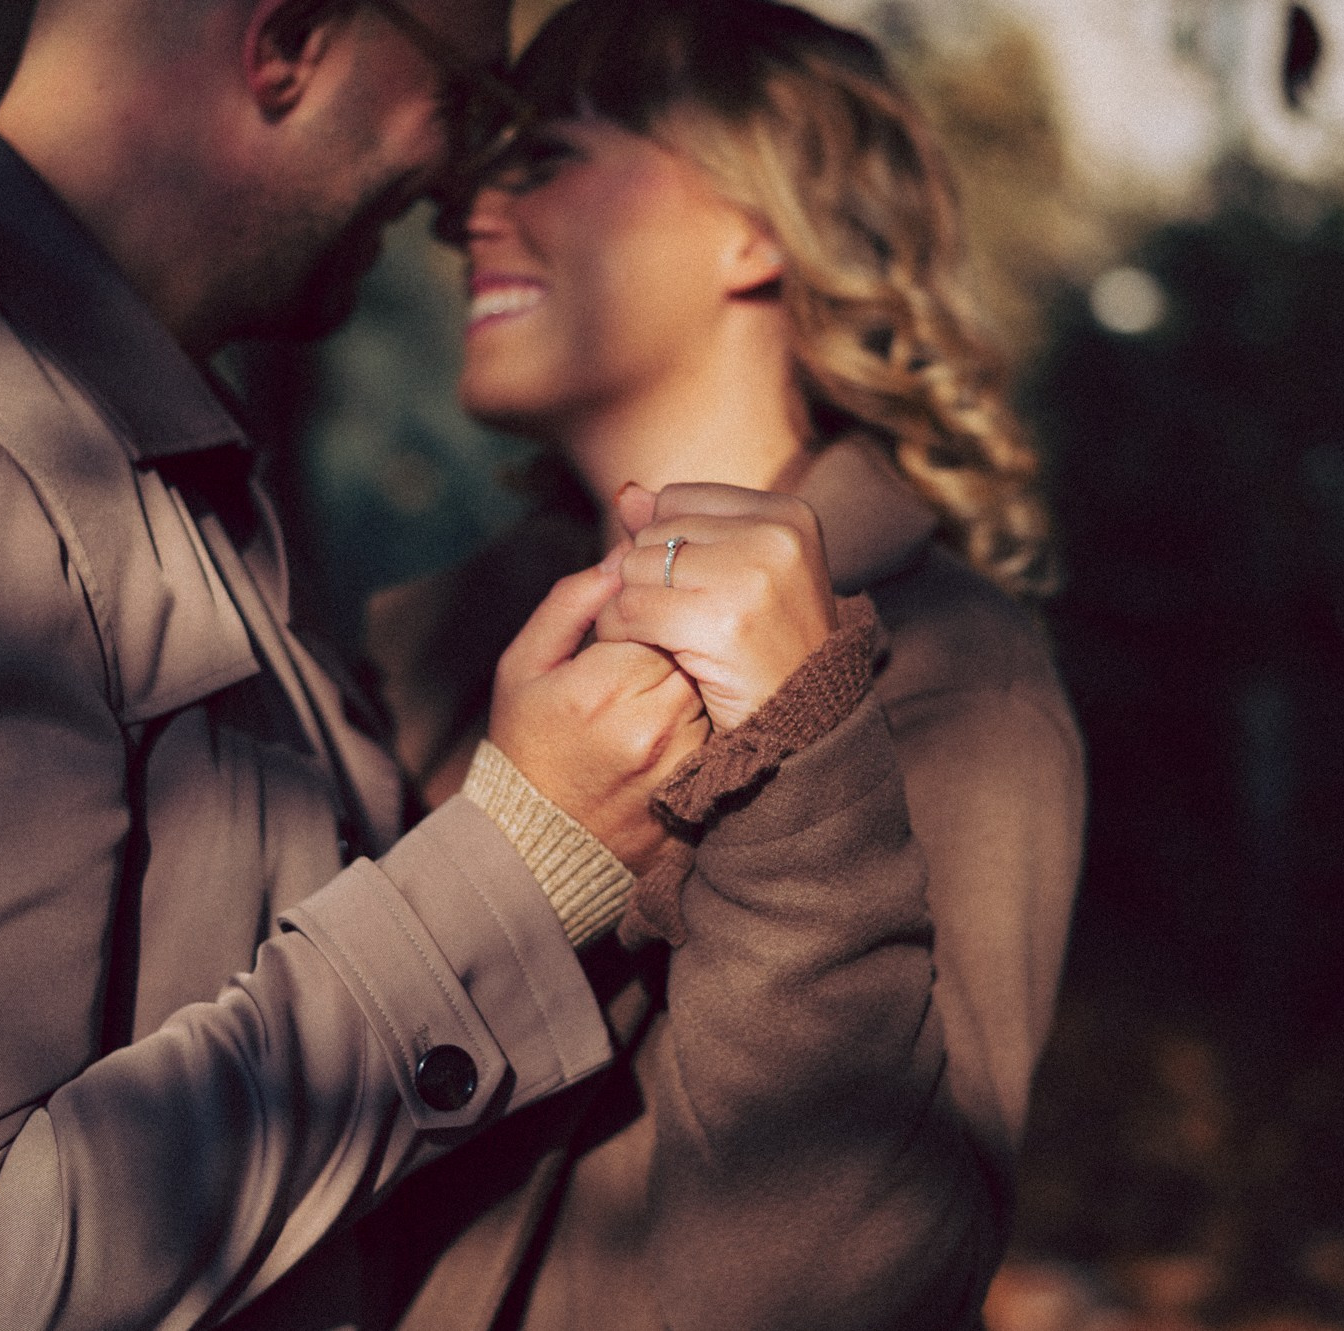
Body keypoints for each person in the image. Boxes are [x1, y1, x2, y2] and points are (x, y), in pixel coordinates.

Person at [0, 0, 803, 1326]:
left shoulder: (120, 448)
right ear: (292, 43)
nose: (456, 188)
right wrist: (518, 861)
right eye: (469, 103)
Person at [359, 0, 1087, 1326]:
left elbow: (858, 1282)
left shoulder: (950, 675)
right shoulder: (412, 648)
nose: (468, 217)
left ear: (760, 223)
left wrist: (798, 760)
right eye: (477, 176)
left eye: (543, 160)